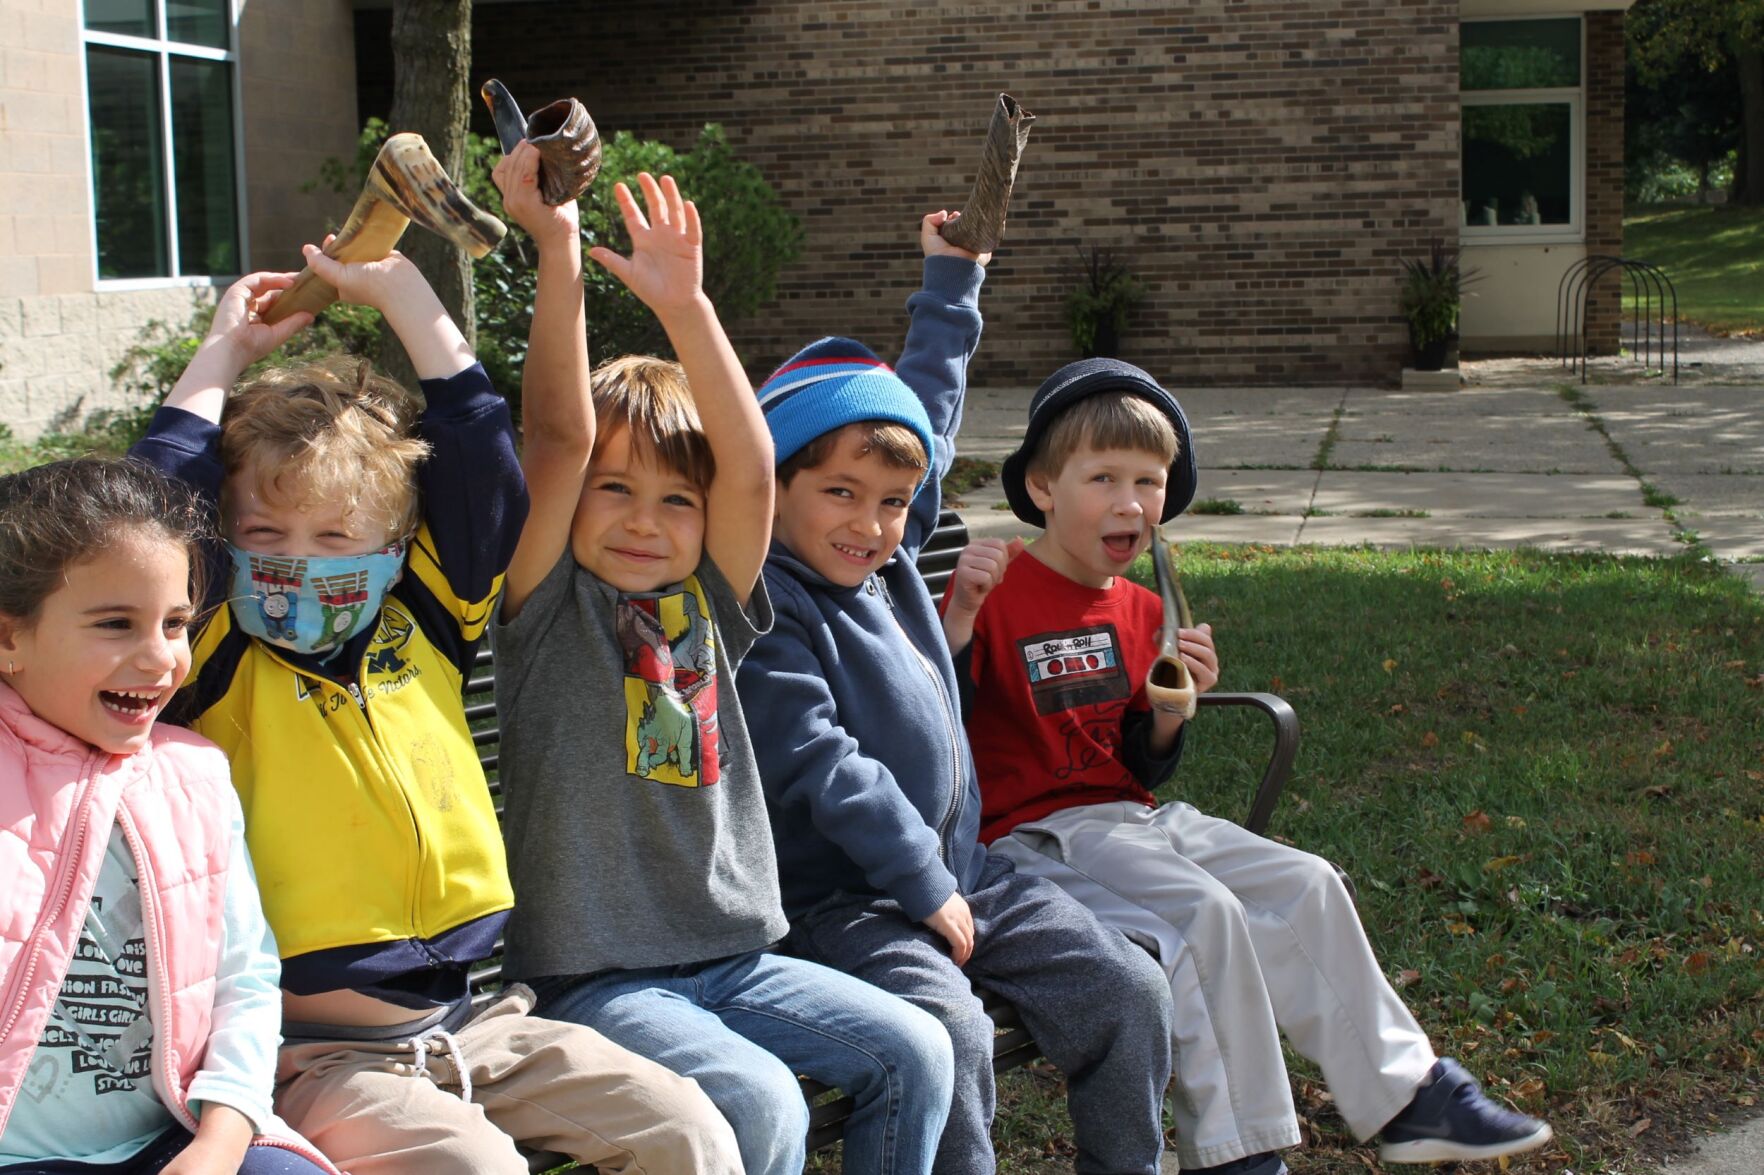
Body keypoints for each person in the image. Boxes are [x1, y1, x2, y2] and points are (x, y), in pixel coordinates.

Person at [126, 144, 742, 1175]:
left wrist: (411, 300)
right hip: (311, 1055)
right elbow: (146, 514)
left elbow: (483, 458)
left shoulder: (431, 610)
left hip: (479, 1025)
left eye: (335, 540)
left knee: (689, 1127)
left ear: (391, 542)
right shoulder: (218, 642)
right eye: (268, 536)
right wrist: (224, 355)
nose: (299, 565)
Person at [946, 357, 1557, 1173]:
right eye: (1103, 477)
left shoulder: (1146, 607)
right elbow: (932, 722)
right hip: (1034, 835)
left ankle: (1413, 1095)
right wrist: (954, 623)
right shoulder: (999, 592)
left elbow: (1143, 765)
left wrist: (1168, 713)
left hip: (1133, 818)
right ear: (1044, 487)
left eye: (1149, 481)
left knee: (1310, 879)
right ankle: (1241, 1154)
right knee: (1208, 914)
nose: (1131, 501)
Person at [491, 171, 955, 1175]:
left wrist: (686, 306)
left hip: (737, 958)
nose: (645, 521)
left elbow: (747, 470)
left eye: (674, 499)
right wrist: (559, 253)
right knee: (762, 1101)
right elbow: (560, 436)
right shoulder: (544, 611)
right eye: (613, 491)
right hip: (597, 977)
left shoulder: (710, 605)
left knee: (916, 1048)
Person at [734, 213, 1175, 1175]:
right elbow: (821, 762)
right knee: (956, 1036)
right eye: (841, 494)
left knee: (1126, 989)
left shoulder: (885, 558)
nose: (874, 524)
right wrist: (920, 878)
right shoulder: (770, 603)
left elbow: (929, 404)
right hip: (844, 904)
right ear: (773, 488)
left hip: (963, 873)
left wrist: (953, 278)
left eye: (893, 501)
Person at [0, 457, 337, 1174]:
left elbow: (243, 979)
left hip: (174, 1139)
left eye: (177, 622)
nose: (160, 657)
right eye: (116, 623)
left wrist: (221, 1139)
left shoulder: (195, 776)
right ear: (8, 638)